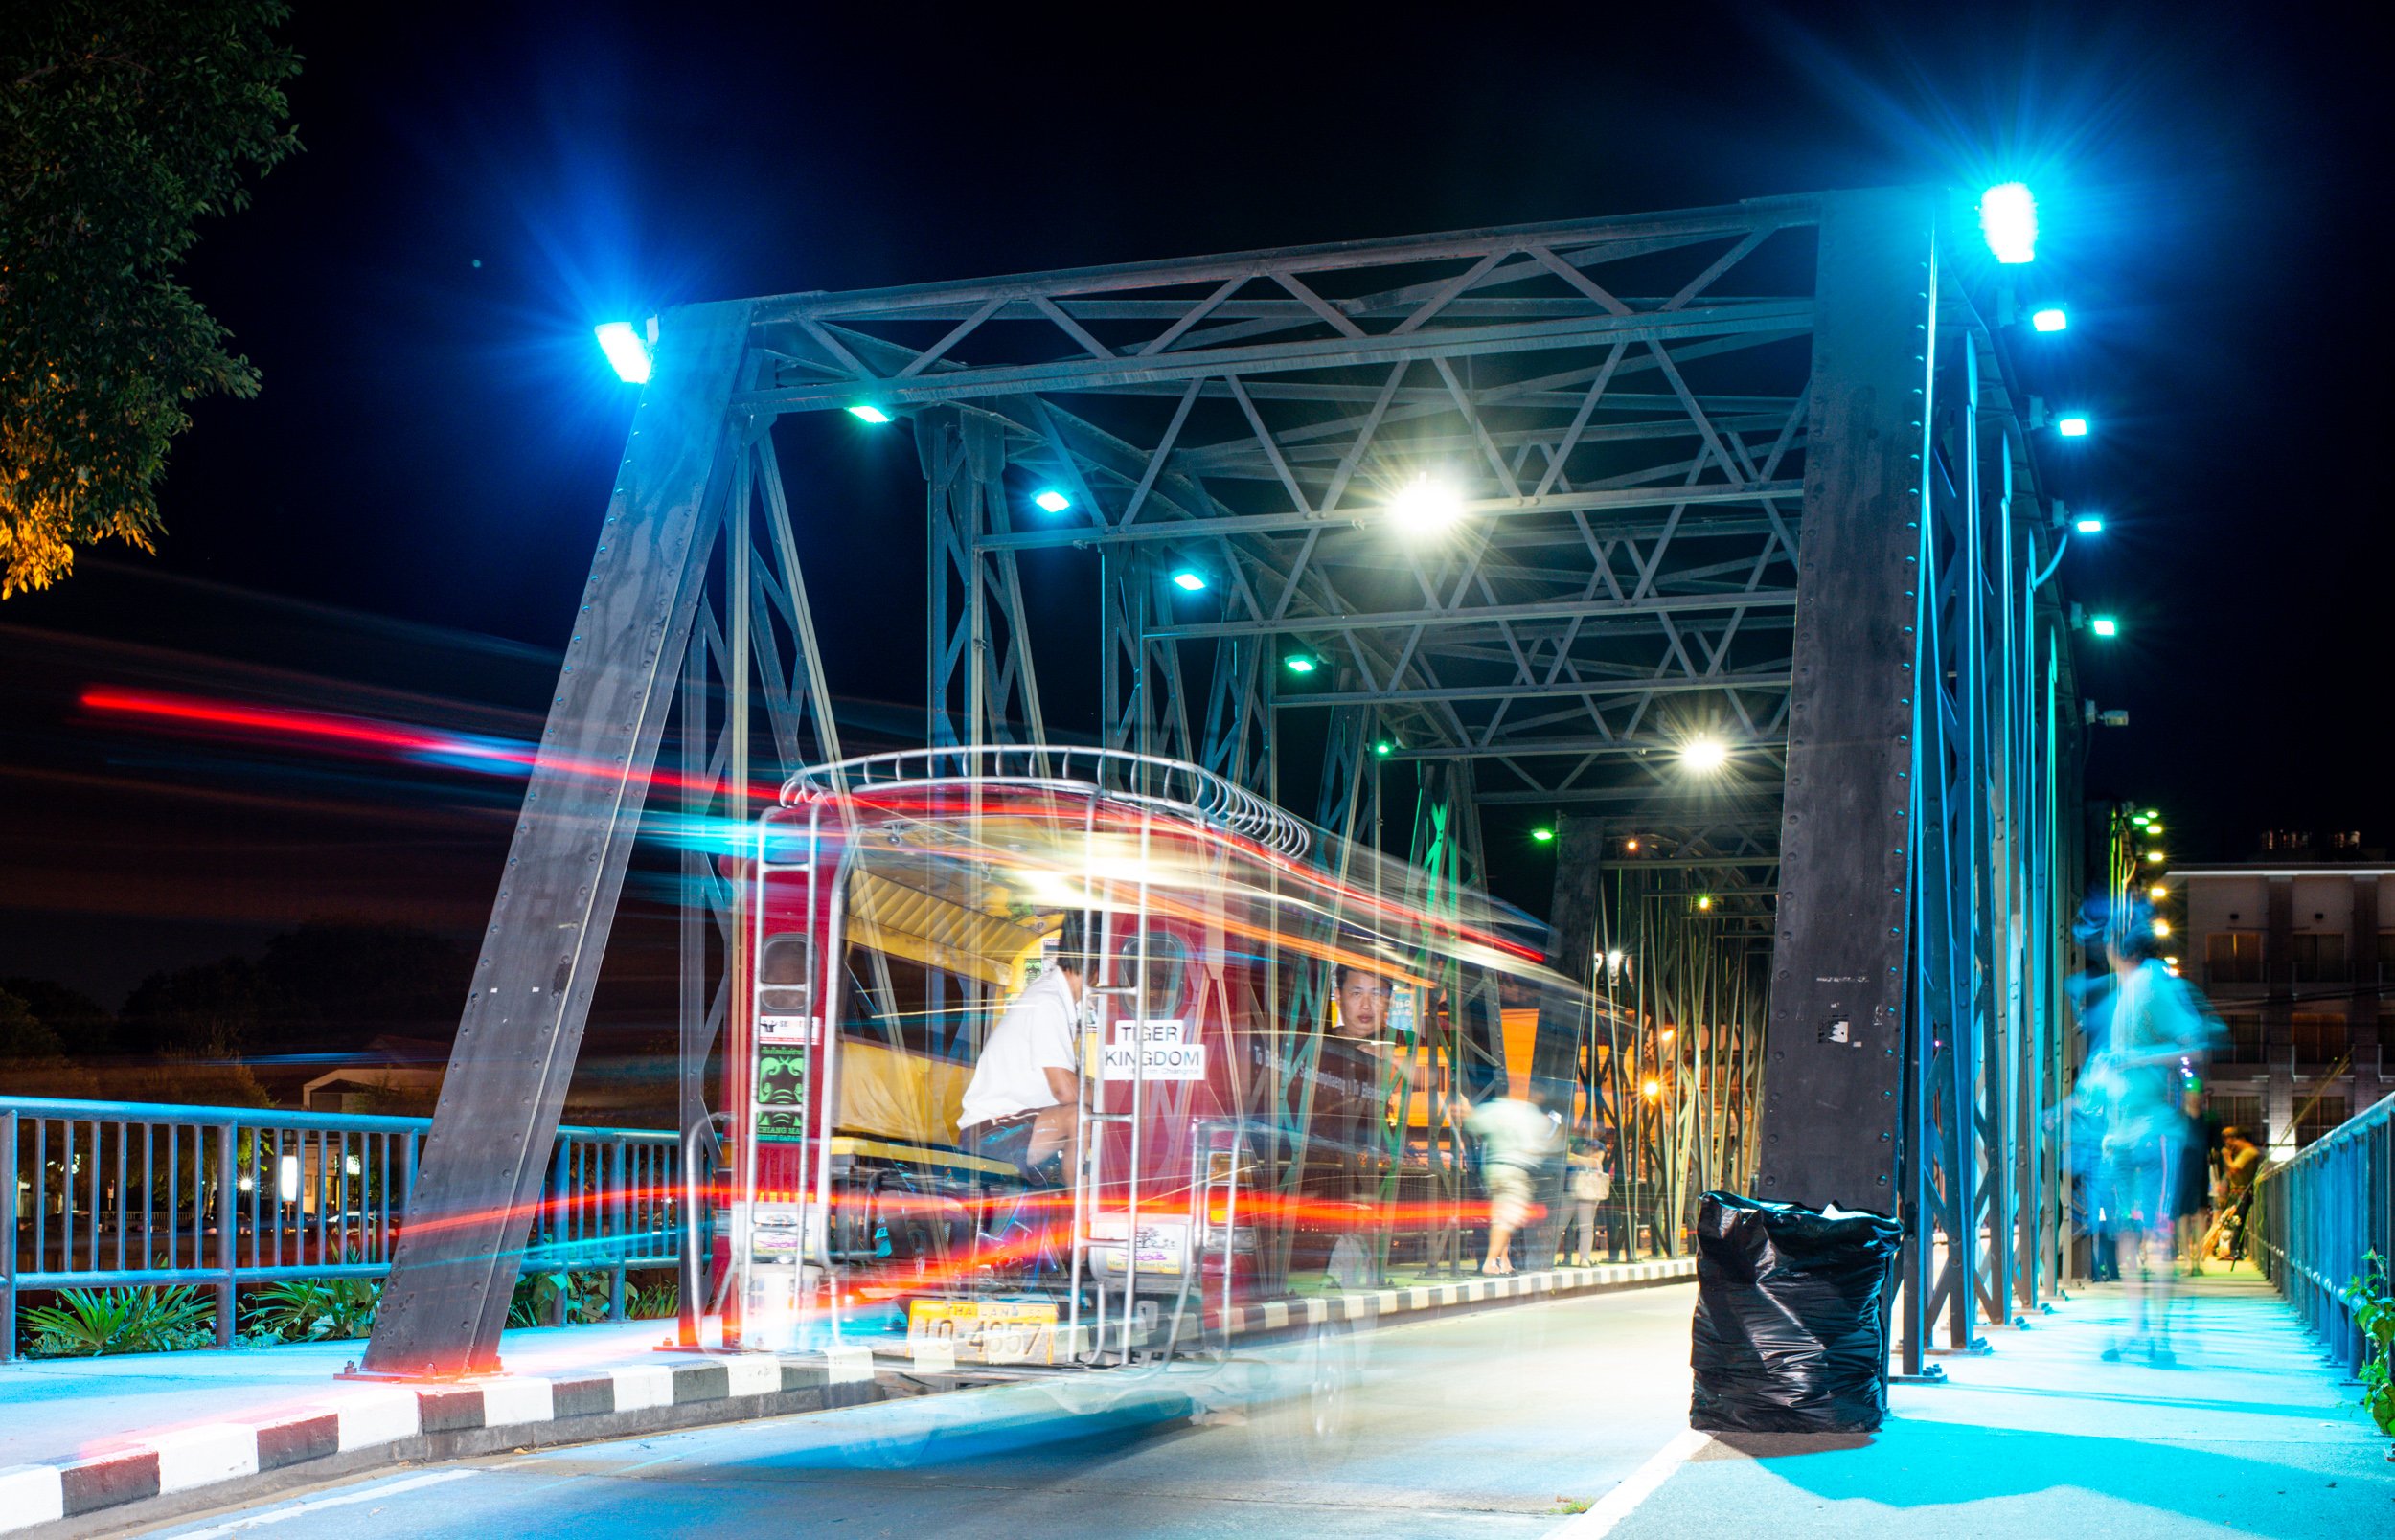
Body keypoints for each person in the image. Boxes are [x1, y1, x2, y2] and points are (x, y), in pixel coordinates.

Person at [2075, 902, 2218, 1365]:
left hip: (2156, 1133)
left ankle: (2158, 1336)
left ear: (2115, 946)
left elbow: (2195, 1045)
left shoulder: (2154, 984)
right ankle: (2141, 1332)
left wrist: (2136, 1061)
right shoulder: (2125, 994)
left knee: (2152, 1235)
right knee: (2129, 1235)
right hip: (2123, 1134)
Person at [958, 914, 1089, 1186]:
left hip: (1014, 1128)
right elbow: (1064, 1090)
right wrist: (1112, 1101)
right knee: (1083, 1118)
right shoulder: (1048, 1001)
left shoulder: (1059, 1001)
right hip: (990, 1135)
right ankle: (1082, 1216)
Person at [1457, 1092, 1560, 1275]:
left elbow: (1474, 1123)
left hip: (1494, 1171)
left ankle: (1503, 1260)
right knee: (1506, 1219)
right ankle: (1491, 1263)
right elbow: (1537, 1148)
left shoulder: (1497, 1109)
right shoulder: (1529, 1116)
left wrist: (1465, 1107)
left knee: (1503, 1219)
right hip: (1514, 1171)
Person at [2197, 1125, 2262, 1267]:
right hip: (2236, 1192)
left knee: (2236, 1223)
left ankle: (2233, 1251)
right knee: (2233, 1222)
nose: (2228, 1145)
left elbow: (2234, 1168)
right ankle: (2231, 1251)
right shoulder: (2242, 1152)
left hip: (2242, 1192)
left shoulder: (2247, 1152)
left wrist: (2227, 1156)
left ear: (2238, 1139)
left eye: (2229, 1140)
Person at [1563, 1135, 1612, 1266]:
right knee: (1584, 1225)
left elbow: (1594, 1162)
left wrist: (1574, 1158)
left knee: (1568, 1224)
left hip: (1577, 1186)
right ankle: (1584, 1258)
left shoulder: (1576, 1142)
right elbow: (1594, 1162)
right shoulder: (1593, 1144)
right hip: (1582, 1187)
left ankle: (1583, 1257)